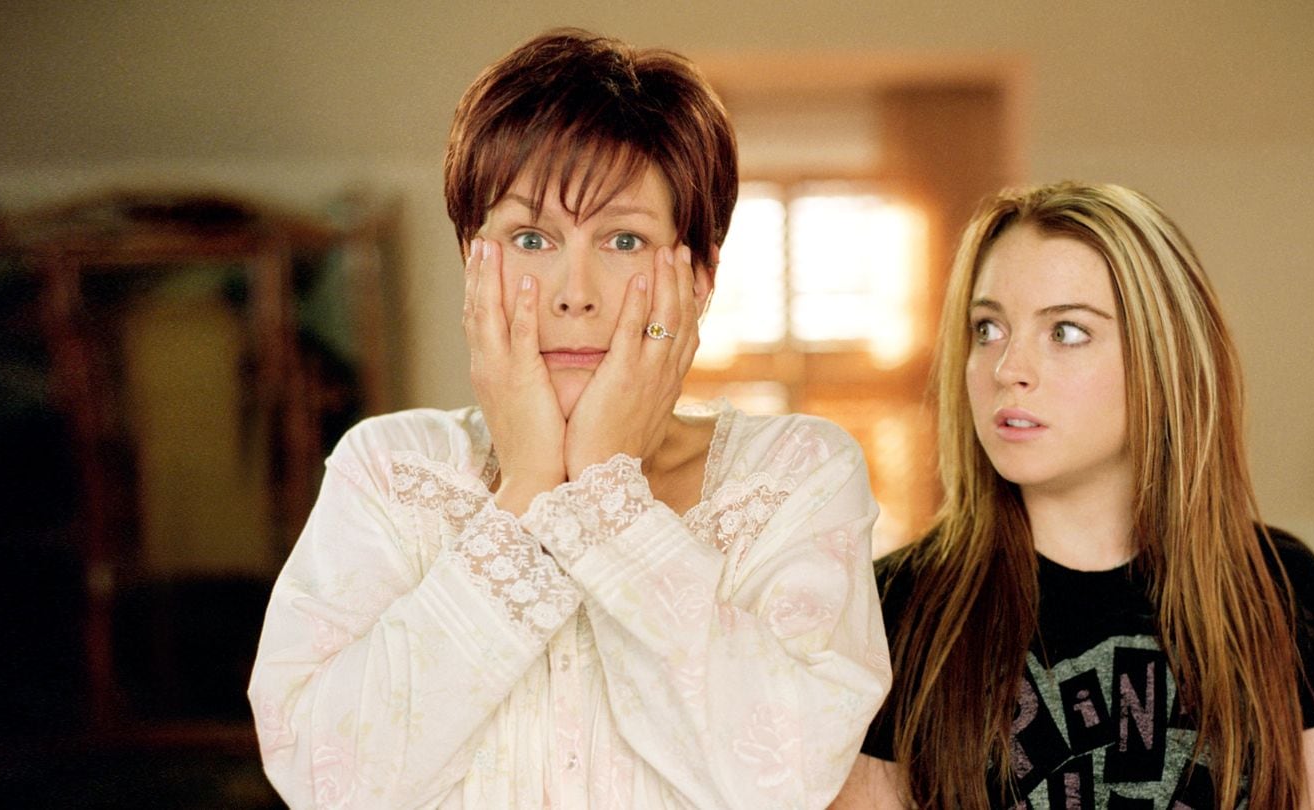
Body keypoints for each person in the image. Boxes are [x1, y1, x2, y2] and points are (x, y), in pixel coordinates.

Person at [248, 28, 891, 809]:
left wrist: (604, 492)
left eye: (624, 239)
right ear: (473, 261)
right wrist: (527, 487)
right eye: (531, 238)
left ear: (700, 275)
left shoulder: (795, 472)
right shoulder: (389, 468)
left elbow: (787, 778)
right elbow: (326, 780)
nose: (573, 293)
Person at [832, 182, 1314, 809]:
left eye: (1066, 331)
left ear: (1162, 360)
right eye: (988, 328)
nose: (1008, 369)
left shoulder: (1286, 594)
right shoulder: (892, 609)